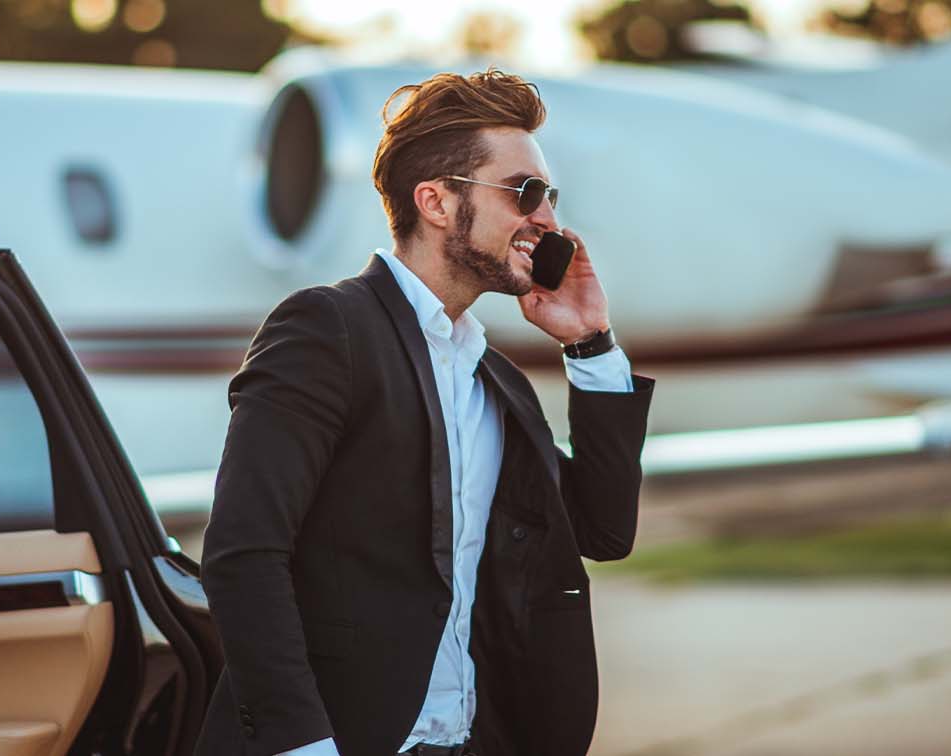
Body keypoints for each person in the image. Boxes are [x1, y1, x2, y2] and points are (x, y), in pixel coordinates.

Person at [195, 69, 655, 756]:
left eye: (550, 197)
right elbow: (243, 554)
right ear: (437, 202)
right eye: (526, 193)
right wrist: (303, 746)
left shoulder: (492, 379)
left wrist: (591, 342)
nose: (549, 221)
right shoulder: (327, 329)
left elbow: (603, 527)